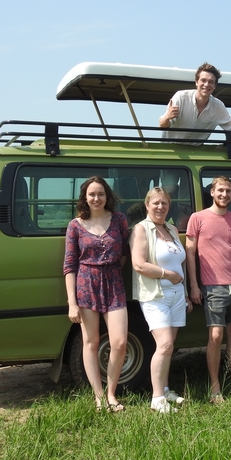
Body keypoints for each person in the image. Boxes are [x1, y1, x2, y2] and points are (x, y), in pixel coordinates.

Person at [64, 176, 129, 413]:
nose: (96, 198)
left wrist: (109, 271)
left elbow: (123, 253)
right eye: (91, 194)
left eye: (100, 194)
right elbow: (69, 265)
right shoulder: (75, 225)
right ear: (85, 197)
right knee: (90, 342)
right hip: (85, 284)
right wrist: (72, 302)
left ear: (107, 196)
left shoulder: (119, 220)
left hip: (114, 283)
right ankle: (99, 397)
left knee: (120, 342)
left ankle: (112, 393)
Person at [185, 176, 231, 403]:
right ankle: (215, 388)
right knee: (215, 336)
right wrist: (194, 285)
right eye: (221, 190)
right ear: (212, 192)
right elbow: (190, 254)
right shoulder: (198, 218)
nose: (225, 195)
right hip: (212, 286)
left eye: (229, 191)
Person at [130, 187, 192, 414]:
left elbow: (180, 262)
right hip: (156, 296)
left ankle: (165, 389)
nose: (160, 207)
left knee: (168, 347)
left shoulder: (172, 229)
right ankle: (157, 399)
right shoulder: (141, 229)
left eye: (164, 203)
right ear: (147, 205)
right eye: (155, 203)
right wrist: (168, 275)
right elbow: (139, 264)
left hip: (176, 296)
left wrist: (184, 291)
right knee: (164, 344)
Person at [159, 62, 231, 145]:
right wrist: (167, 117)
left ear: (215, 86)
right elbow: (162, 125)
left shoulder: (218, 106)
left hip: (196, 154)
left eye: (211, 82)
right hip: (169, 149)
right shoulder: (180, 97)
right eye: (203, 80)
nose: (207, 84)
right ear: (196, 82)